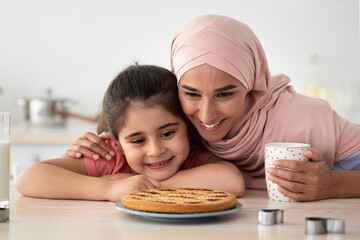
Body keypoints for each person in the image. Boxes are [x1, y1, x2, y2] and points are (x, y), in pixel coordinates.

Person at [65, 15, 360, 201]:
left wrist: (332, 184)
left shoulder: (301, 119)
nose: (206, 116)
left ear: (252, 83)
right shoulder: (174, 120)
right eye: (192, 93)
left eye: (225, 94)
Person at [15, 64, 245, 201]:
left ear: (187, 127)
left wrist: (138, 186)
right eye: (137, 140)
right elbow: (28, 179)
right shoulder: (111, 156)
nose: (156, 150)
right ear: (115, 140)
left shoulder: (192, 156)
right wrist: (109, 188)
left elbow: (232, 180)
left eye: (167, 134)